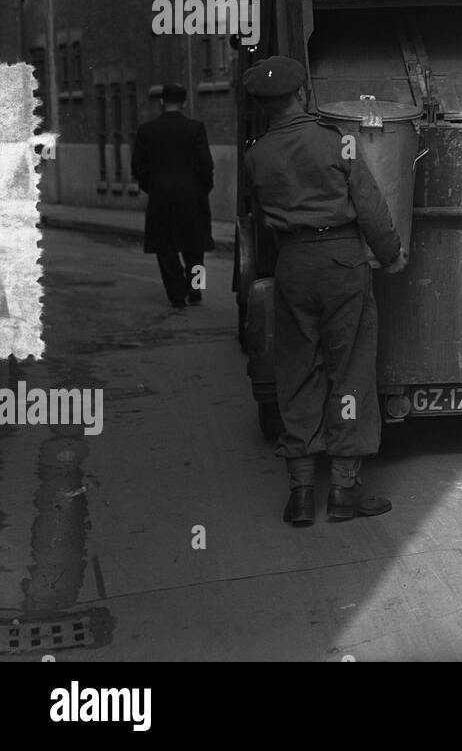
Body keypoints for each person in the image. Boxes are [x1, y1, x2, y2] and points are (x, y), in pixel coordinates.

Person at [242, 56, 408, 527]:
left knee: (297, 370)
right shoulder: (339, 142)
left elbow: (261, 214)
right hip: (341, 261)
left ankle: (299, 494)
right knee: (350, 370)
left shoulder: (257, 154)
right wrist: (391, 253)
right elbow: (370, 206)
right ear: (301, 95)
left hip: (292, 264)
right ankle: (343, 490)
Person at [131, 82, 214, 309]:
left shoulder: (147, 130)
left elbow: (138, 167)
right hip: (192, 196)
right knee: (196, 248)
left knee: (165, 249)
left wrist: (154, 186)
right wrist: (202, 188)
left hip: (161, 198)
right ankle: (196, 288)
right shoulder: (195, 128)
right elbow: (206, 165)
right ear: (184, 102)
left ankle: (177, 294)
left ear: (161, 102)